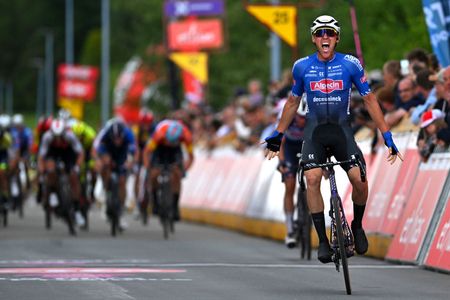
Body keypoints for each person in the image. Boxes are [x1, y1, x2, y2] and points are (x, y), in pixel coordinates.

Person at [263, 15, 403, 263]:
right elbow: (293, 102)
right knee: (313, 177)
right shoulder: (301, 66)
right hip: (315, 131)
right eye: (319, 34)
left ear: (337, 37)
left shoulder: (351, 64)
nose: (324, 37)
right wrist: (278, 134)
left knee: (359, 180)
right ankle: (323, 241)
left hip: (341, 131)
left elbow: (370, 99)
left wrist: (387, 134)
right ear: (313, 39)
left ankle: (357, 225)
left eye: (329, 33)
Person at [143, 119, 194, 221]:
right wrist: (148, 167)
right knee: (154, 173)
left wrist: (184, 170)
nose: (169, 144)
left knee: (177, 174)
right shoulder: (159, 134)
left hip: (175, 150)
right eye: (168, 141)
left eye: (172, 142)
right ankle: (155, 201)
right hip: (159, 148)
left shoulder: (186, 136)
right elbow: (146, 153)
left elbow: (191, 157)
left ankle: (175, 206)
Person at [38, 118, 84, 226]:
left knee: (74, 178)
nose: (58, 139)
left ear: (64, 132)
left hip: (68, 154)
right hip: (52, 153)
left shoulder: (70, 136)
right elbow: (41, 157)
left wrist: (77, 167)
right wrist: (42, 170)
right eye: (55, 136)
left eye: (60, 136)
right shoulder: (47, 137)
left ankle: (77, 210)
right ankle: (53, 192)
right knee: (50, 170)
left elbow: (80, 153)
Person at [94, 118, 136, 228]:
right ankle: (105, 188)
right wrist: (100, 161)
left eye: (119, 139)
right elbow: (97, 149)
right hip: (108, 151)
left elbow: (134, 153)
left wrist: (130, 163)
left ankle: (121, 209)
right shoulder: (106, 133)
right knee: (104, 165)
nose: (117, 141)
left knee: (122, 181)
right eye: (115, 139)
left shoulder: (128, 134)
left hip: (122, 154)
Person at [277, 97, 307, 248]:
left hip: (306, 146)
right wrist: (281, 162)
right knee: (289, 185)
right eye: (299, 117)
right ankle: (289, 228)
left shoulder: (312, 118)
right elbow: (279, 142)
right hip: (288, 148)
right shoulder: (289, 117)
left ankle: (307, 212)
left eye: (305, 117)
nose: (302, 120)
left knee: (313, 176)